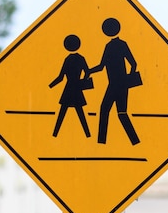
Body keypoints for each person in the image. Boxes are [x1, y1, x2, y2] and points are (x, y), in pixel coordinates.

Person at [88, 17, 140, 145]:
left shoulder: (110, 46)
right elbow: (133, 64)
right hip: (121, 85)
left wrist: (89, 71)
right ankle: (134, 141)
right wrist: (128, 79)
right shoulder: (121, 44)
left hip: (114, 85)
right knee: (121, 113)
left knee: (105, 109)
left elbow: (101, 66)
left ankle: (101, 141)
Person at [49, 34, 91, 138]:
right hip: (76, 88)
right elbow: (87, 72)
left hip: (69, 88)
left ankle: (55, 134)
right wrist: (83, 81)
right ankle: (88, 134)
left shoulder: (68, 59)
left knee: (63, 113)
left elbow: (61, 77)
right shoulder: (81, 58)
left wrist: (50, 86)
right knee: (79, 112)